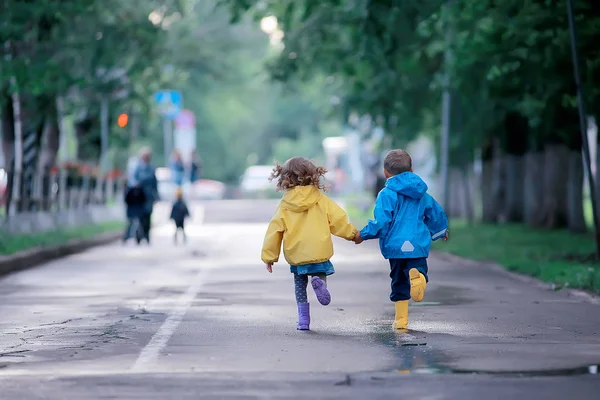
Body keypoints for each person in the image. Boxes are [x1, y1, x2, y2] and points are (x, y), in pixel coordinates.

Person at [354, 149, 449, 330]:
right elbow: (435, 212)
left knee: (398, 280)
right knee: (418, 269)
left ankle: (401, 320)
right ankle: (419, 277)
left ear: (386, 173)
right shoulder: (422, 193)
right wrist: (441, 230)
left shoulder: (386, 194)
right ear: (412, 170)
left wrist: (362, 235)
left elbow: (381, 222)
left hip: (395, 247)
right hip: (417, 244)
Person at [261, 157, 358, 331]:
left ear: (286, 178)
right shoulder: (321, 200)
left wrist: (269, 257)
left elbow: (274, 231)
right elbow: (338, 220)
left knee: (300, 287)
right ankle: (320, 284)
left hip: (297, 254)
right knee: (318, 275)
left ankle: (303, 320)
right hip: (318, 250)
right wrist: (353, 235)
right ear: (312, 176)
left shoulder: (285, 205)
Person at [133, 147, 159, 244]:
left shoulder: (151, 168)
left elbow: (155, 183)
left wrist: (156, 196)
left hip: (149, 197)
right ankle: (138, 235)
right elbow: (134, 180)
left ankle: (147, 235)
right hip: (139, 196)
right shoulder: (137, 168)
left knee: (147, 218)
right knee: (139, 217)